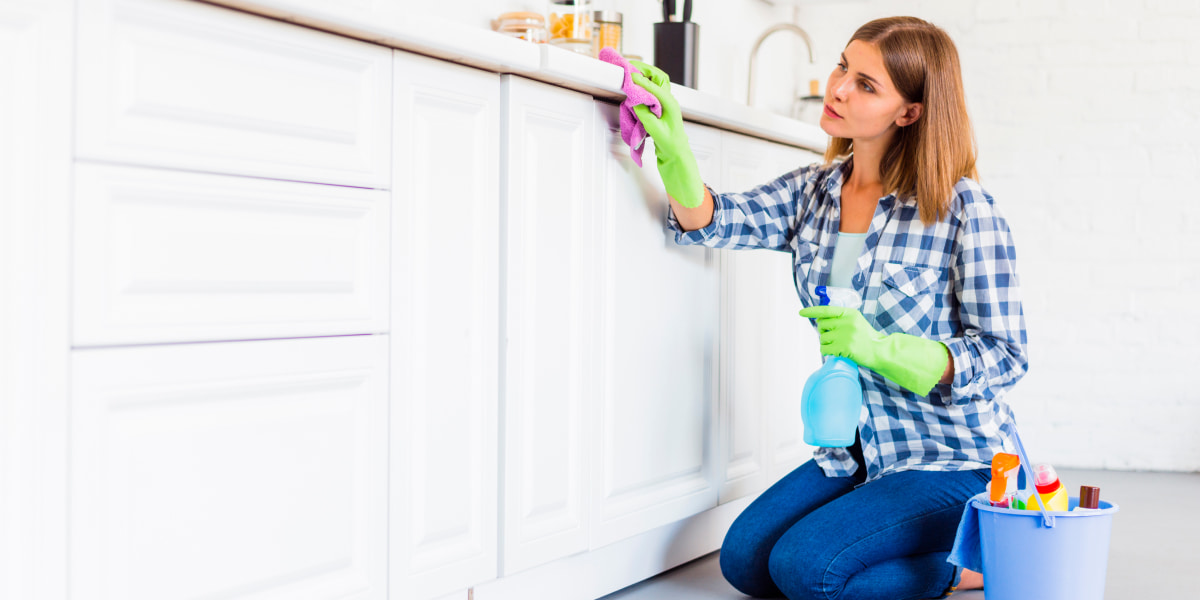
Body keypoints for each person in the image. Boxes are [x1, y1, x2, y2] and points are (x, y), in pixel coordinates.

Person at [628, 16, 1027, 600]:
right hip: (857, 450)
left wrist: (881, 349)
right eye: (844, 67)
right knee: (744, 560)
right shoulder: (815, 191)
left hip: (956, 460)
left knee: (806, 570)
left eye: (867, 85)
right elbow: (716, 219)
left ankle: (976, 564)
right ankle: (924, 545)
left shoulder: (963, 207)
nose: (838, 88)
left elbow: (1006, 356)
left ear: (909, 112)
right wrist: (674, 148)